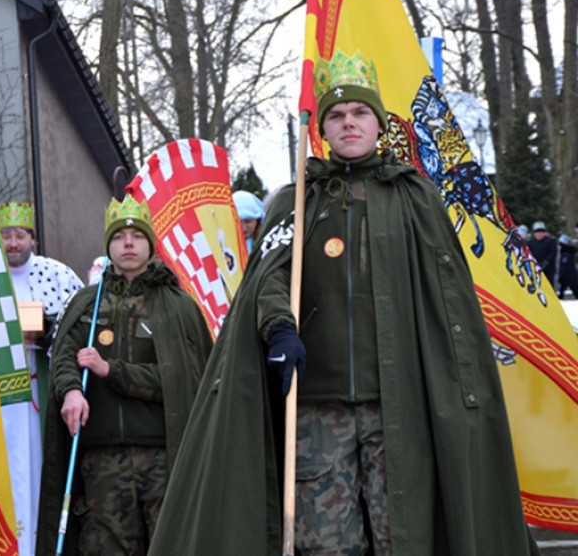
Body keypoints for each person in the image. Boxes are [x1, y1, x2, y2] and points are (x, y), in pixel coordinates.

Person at [147, 50, 539, 555]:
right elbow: (268, 278)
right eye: (336, 115)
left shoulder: (414, 197)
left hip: (398, 409)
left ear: (378, 123)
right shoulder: (298, 199)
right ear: (322, 130)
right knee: (327, 546)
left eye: (359, 113)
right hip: (315, 410)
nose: (348, 122)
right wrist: (279, 328)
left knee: (403, 539)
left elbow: (449, 301)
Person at [36, 194, 213, 556]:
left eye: (136, 236)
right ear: (108, 246)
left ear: (150, 244)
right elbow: (65, 357)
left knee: (172, 545)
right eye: (118, 237)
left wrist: (112, 371)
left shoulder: (178, 306)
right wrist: (70, 390)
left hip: (163, 457)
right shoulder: (87, 303)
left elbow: (181, 379)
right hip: (102, 462)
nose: (127, 243)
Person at [0, 200, 84, 555]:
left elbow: (80, 323)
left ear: (32, 238)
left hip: (40, 385)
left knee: (38, 463)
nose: (13, 243)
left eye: (19, 235)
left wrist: (45, 332)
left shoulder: (56, 274)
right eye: (5, 235)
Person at [529, 221, 558, 288]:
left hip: (548, 269)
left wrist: (546, 262)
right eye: (537, 232)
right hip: (535, 268)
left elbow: (553, 253)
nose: (539, 234)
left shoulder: (550, 241)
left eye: (541, 232)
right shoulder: (531, 243)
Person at [557, 233, 578, 299]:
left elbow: (565, 266)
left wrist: (561, 274)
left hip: (567, 275)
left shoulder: (565, 255)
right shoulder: (569, 253)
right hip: (571, 274)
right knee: (569, 288)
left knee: (572, 288)